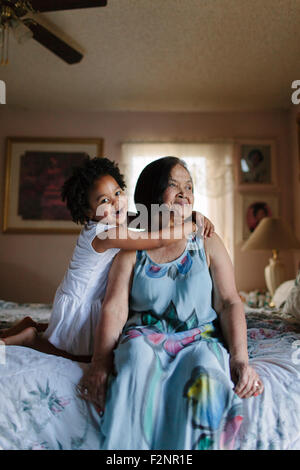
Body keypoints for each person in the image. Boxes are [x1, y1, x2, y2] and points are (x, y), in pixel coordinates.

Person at [79, 156, 264, 450]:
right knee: (135, 358)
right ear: (153, 193)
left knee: (204, 368)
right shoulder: (131, 248)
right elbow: (114, 307)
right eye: (173, 185)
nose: (185, 192)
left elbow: (230, 302)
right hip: (143, 338)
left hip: (200, 339)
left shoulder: (207, 240)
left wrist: (240, 359)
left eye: (189, 186)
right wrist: (100, 363)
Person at [0, 157, 214, 362]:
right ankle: (31, 339)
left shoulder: (110, 218)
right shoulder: (106, 234)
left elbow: (148, 218)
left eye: (118, 192)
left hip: (79, 293)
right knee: (83, 357)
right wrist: (192, 227)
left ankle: (33, 325)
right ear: (88, 211)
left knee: (66, 335)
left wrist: (191, 214)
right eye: (104, 200)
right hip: (82, 301)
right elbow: (156, 240)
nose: (115, 202)